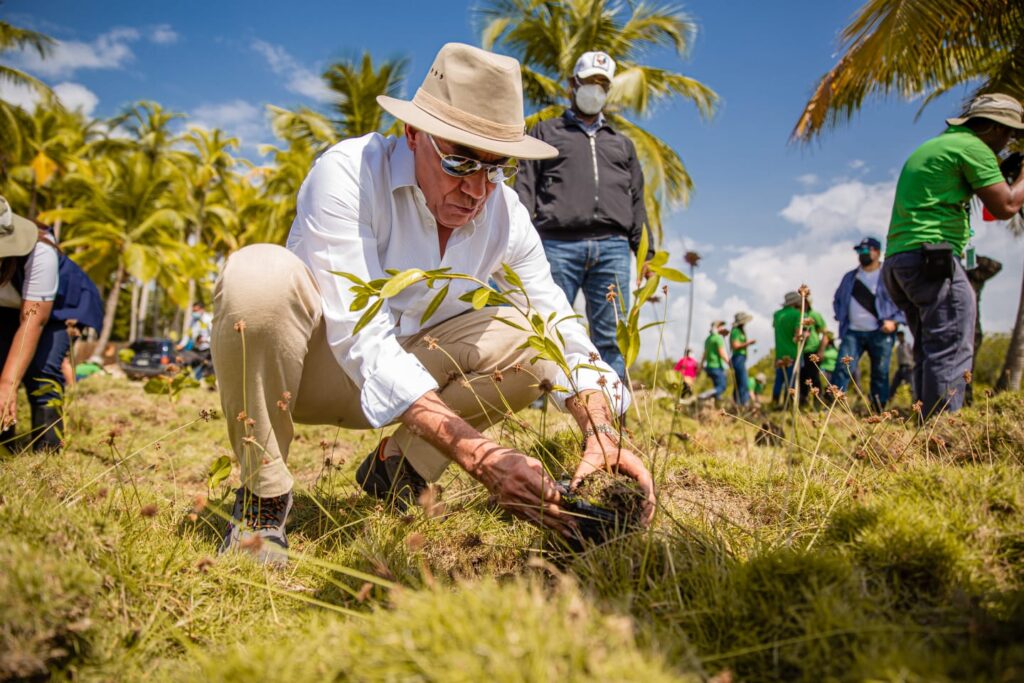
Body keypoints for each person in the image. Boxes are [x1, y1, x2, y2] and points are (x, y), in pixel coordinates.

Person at [211, 43, 656, 565]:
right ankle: (263, 498)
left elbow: (556, 320)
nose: (475, 189)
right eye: (459, 160)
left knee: (528, 330)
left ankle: (401, 468)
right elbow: (362, 338)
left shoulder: (506, 214)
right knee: (257, 277)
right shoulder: (349, 173)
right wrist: (481, 456)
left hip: (418, 372)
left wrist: (601, 429)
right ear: (414, 133)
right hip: (313, 373)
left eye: (496, 167)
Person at [883, 93, 1024, 416]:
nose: (1007, 142)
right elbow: (1005, 205)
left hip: (900, 262)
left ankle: (927, 431)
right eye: (1008, 133)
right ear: (991, 127)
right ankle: (942, 435)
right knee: (952, 346)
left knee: (931, 348)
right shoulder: (973, 148)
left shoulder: (938, 145)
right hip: (931, 258)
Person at [514, 50, 650, 381]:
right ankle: (539, 405)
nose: (595, 89)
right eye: (589, 81)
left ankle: (614, 403)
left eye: (602, 83)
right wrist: (519, 239)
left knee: (612, 336)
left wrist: (647, 252)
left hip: (614, 248)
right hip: (556, 245)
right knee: (548, 327)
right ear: (573, 85)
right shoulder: (545, 133)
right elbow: (524, 187)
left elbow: (636, 199)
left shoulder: (622, 144)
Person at [0, 197, 104, 452]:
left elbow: (33, 321)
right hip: (9, 308)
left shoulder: (40, 251)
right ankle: (5, 443)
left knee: (42, 370)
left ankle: (47, 450)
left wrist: (7, 385)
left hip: (58, 310)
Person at [832, 237, 904, 410]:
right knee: (843, 367)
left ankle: (878, 409)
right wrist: (841, 316)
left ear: (877, 252)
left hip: (881, 332)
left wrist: (894, 321)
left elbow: (903, 299)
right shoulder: (850, 277)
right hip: (852, 332)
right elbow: (838, 300)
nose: (862, 254)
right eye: (859, 251)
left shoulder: (887, 275)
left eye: (866, 250)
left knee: (880, 371)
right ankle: (834, 406)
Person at [772, 292, 802, 405]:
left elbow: (775, 327)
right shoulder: (797, 314)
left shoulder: (776, 314)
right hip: (793, 353)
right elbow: (797, 334)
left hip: (779, 352)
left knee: (779, 380)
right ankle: (788, 404)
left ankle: (774, 403)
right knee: (791, 381)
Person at [729, 311, 756, 406]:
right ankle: (743, 403)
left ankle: (737, 403)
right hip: (738, 358)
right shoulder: (736, 331)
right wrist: (748, 343)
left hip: (741, 358)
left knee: (739, 381)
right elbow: (735, 345)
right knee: (743, 381)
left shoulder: (739, 331)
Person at [699, 321, 730, 402]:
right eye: (721, 326)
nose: (723, 328)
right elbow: (722, 353)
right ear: (717, 328)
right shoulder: (718, 338)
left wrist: (701, 366)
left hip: (709, 367)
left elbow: (704, 355)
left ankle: (715, 405)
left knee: (717, 387)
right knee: (722, 387)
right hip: (717, 367)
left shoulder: (707, 339)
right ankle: (705, 395)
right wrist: (730, 363)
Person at [890, 330, 915, 402]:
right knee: (893, 385)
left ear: (903, 336)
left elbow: (913, 355)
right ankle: (889, 401)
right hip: (900, 368)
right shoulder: (898, 347)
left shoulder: (908, 345)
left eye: (900, 336)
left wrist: (912, 365)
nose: (899, 338)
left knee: (912, 387)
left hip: (908, 368)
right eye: (898, 336)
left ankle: (914, 402)